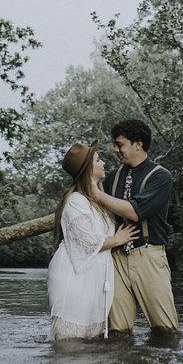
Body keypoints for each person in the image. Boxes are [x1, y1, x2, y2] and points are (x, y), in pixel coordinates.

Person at [47, 140, 139, 341]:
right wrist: (117, 239)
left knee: (89, 344)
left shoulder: (96, 199)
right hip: (73, 276)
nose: (104, 163)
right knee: (68, 343)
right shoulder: (76, 201)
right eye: (98, 160)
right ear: (89, 168)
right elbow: (87, 242)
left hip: (92, 276)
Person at [94, 119, 179, 335]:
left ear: (138, 145)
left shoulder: (161, 176)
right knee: (117, 333)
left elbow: (134, 212)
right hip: (116, 258)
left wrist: (96, 194)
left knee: (165, 331)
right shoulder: (112, 177)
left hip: (148, 256)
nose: (115, 149)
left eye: (120, 144)